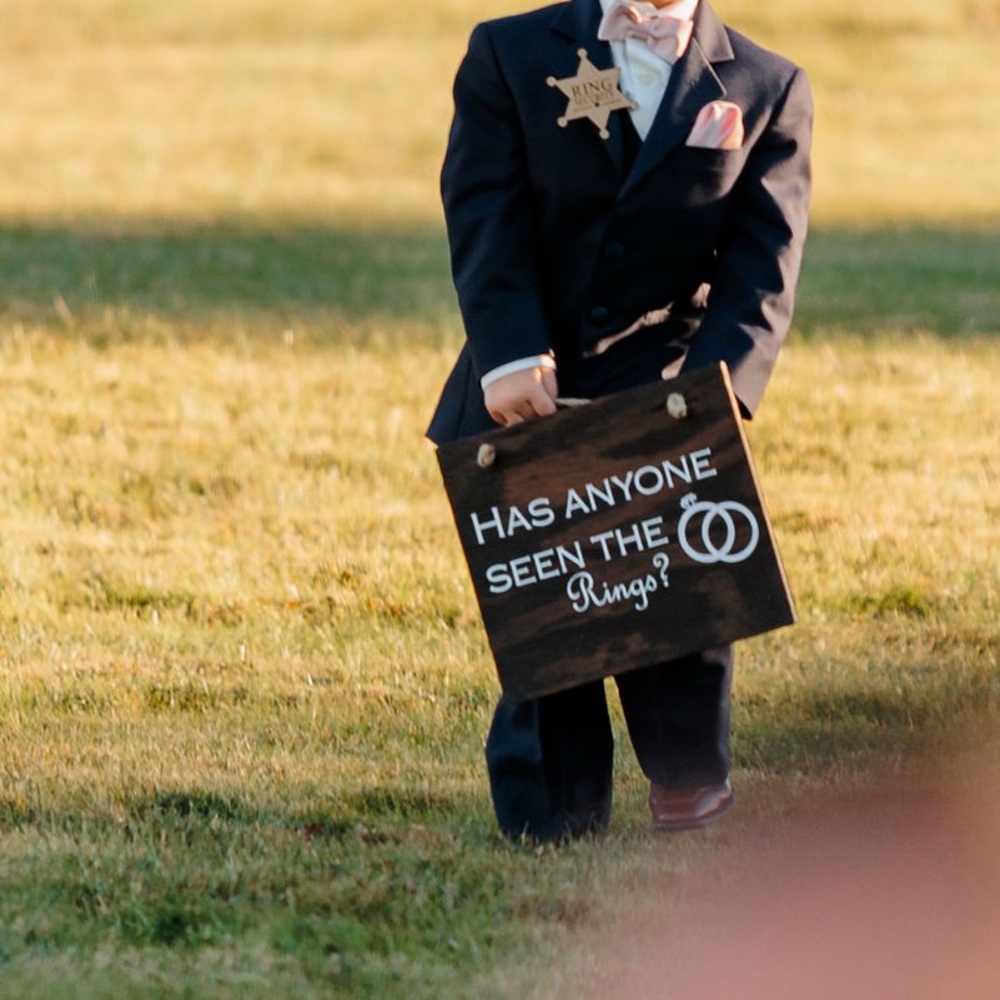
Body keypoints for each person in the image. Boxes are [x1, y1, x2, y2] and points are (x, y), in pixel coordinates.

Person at [427, 0, 812, 842]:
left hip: (669, 382)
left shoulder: (768, 86)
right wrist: (509, 348)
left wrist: (717, 394)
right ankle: (553, 802)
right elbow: (483, 207)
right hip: (528, 376)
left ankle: (686, 774)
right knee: (551, 597)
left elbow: (763, 261)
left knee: (677, 589)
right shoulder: (509, 52)